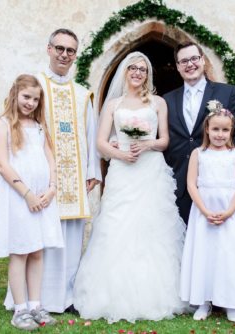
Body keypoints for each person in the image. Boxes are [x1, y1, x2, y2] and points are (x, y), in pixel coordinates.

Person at [73, 52, 187, 323]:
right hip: (123, 172)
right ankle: (109, 293)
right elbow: (101, 143)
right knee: (116, 225)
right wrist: (120, 154)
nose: (138, 72)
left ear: (148, 74)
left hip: (150, 171)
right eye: (133, 68)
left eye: (143, 69)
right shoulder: (113, 105)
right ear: (125, 72)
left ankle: (157, 293)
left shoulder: (157, 103)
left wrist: (147, 144)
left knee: (153, 227)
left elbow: (165, 140)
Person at [4, 29, 102, 313]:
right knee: (37, 237)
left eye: (70, 50)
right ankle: (34, 298)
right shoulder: (34, 87)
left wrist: (92, 170)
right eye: (59, 48)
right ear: (48, 49)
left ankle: (66, 296)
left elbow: (90, 132)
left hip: (73, 178)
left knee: (70, 238)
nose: (64, 54)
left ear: (75, 55)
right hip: (39, 178)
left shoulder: (83, 94)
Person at [0, 74, 64, 330]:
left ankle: (35, 304)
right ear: (15, 95)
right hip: (20, 198)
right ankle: (20, 309)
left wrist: (51, 188)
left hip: (43, 197)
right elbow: (2, 164)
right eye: (26, 97)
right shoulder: (3, 124)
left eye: (35, 99)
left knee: (37, 251)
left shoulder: (39, 125)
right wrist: (27, 194)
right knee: (21, 251)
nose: (30, 103)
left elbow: (49, 157)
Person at [180, 102, 235, 322]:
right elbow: (191, 184)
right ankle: (203, 301)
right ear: (207, 130)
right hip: (204, 211)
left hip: (230, 212)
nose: (220, 134)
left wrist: (229, 211)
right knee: (204, 254)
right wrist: (204, 210)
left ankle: (231, 301)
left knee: (229, 255)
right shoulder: (198, 153)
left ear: (231, 131)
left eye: (225, 130)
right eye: (216, 129)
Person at [163, 41, 235, 224]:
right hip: (178, 177)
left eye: (194, 58)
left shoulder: (226, 92)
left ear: (203, 60)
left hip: (217, 180)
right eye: (184, 61)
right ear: (178, 67)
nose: (190, 64)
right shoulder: (167, 99)